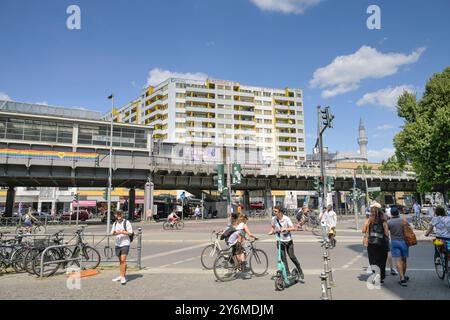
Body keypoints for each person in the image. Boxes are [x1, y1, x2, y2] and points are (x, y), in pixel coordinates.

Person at [268, 206, 304, 279]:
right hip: (279, 241)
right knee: (283, 258)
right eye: (273, 211)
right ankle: (287, 273)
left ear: (280, 212)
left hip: (288, 241)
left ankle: (299, 270)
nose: (274, 213)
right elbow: (273, 226)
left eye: (275, 211)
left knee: (292, 257)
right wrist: (271, 231)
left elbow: (293, 228)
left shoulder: (286, 218)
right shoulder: (273, 219)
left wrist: (286, 229)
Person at [363, 207, 389, 284]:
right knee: (382, 261)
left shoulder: (370, 221)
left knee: (373, 261)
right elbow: (387, 234)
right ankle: (380, 276)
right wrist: (388, 244)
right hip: (382, 244)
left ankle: (375, 275)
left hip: (371, 244)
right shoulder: (384, 222)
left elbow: (364, 230)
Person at [387, 207, 410, 286]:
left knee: (398, 260)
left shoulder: (389, 222)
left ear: (391, 213)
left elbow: (386, 233)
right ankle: (403, 275)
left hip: (394, 242)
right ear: (398, 212)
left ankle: (402, 278)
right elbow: (409, 229)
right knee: (404, 260)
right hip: (404, 242)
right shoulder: (403, 220)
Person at [110, 211, 133, 285]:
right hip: (117, 244)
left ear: (122, 215)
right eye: (117, 214)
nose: (119, 215)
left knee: (123, 260)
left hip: (125, 243)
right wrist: (115, 233)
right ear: (116, 215)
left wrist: (122, 232)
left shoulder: (127, 222)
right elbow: (112, 233)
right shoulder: (115, 223)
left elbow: (130, 232)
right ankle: (121, 275)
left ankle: (123, 277)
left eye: (120, 214)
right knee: (121, 261)